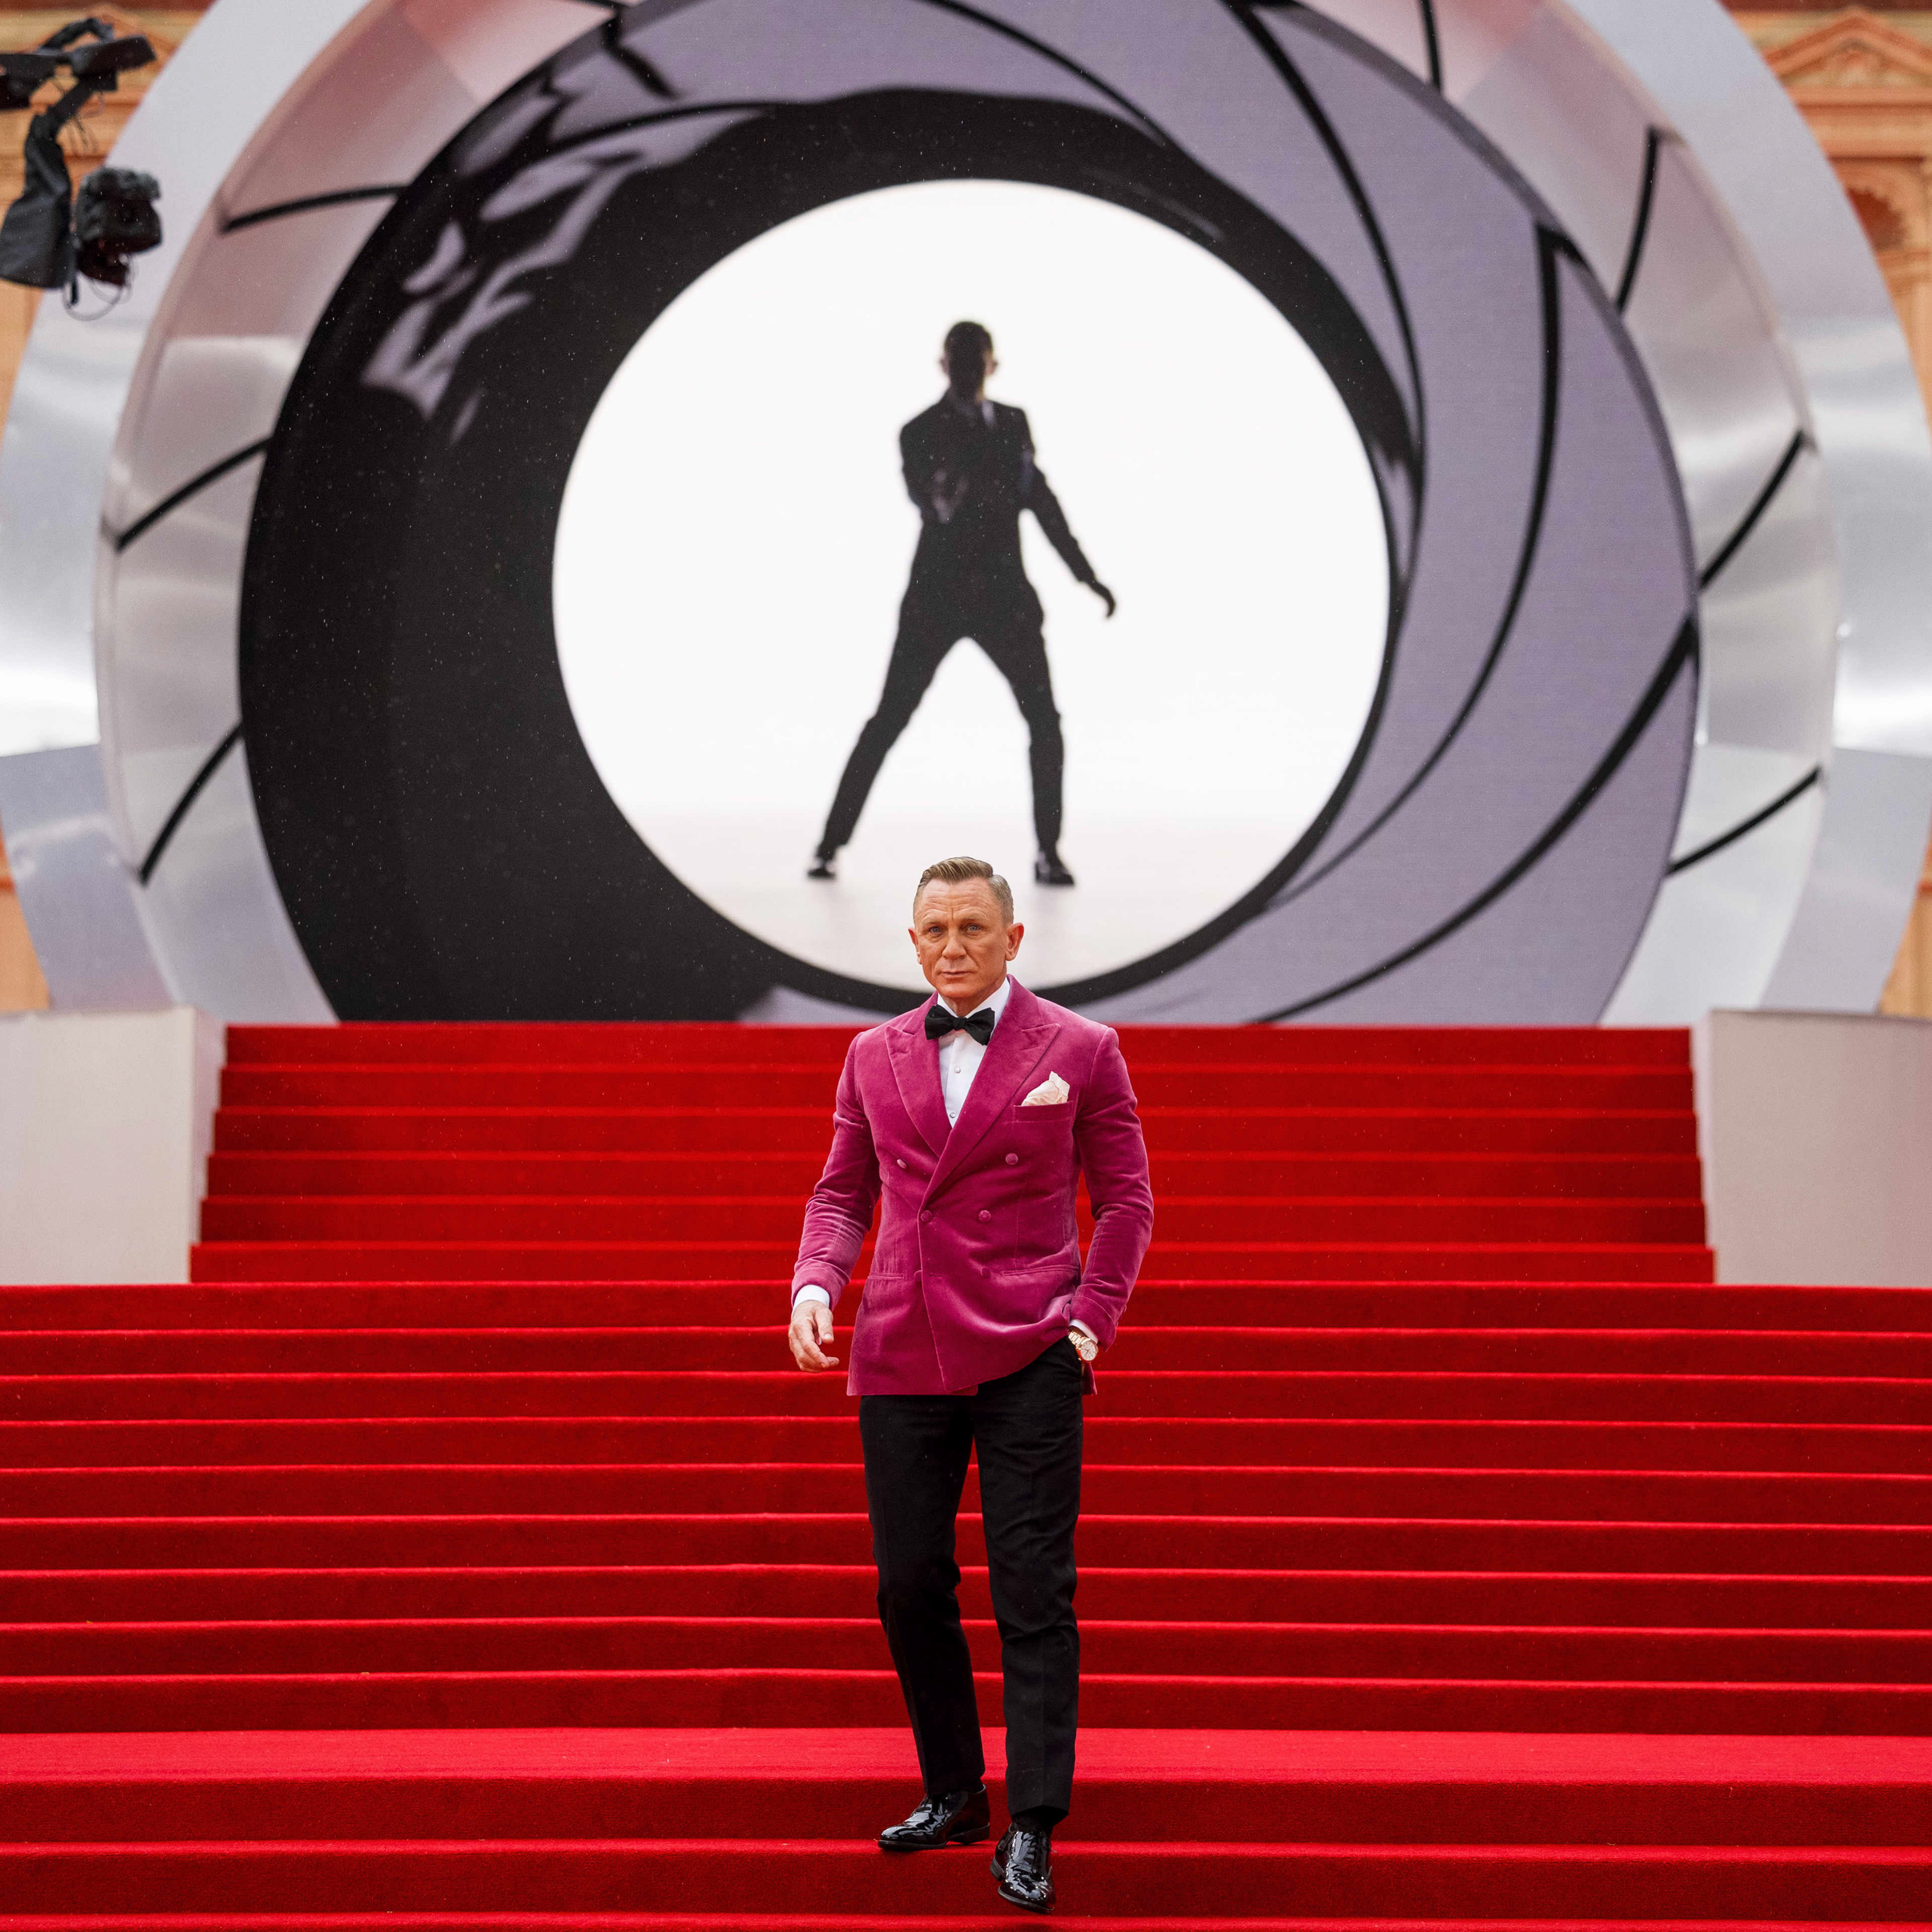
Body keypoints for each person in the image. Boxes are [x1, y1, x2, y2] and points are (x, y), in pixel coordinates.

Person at [788, 854, 1154, 1915]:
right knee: (908, 1581)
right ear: (914, 944)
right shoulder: (871, 1054)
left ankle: (1032, 1821)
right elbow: (841, 1194)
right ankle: (954, 1790)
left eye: (972, 929)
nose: (953, 947)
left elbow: (1127, 1201)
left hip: (1033, 1344)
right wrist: (816, 1281)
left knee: (1033, 1590)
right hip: (902, 1346)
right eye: (935, 931)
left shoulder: (1081, 1048)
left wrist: (1089, 1322)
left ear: (1013, 939)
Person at [810, 324, 1117, 890]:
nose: (969, 370)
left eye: (977, 360)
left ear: (993, 366)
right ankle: (829, 845)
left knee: (1044, 721)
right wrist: (955, 479)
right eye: (960, 360)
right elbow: (931, 500)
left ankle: (1048, 853)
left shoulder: (1015, 424)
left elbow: (1041, 500)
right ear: (944, 365)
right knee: (889, 719)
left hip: (1006, 601)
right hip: (938, 599)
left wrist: (1085, 575)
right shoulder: (919, 431)